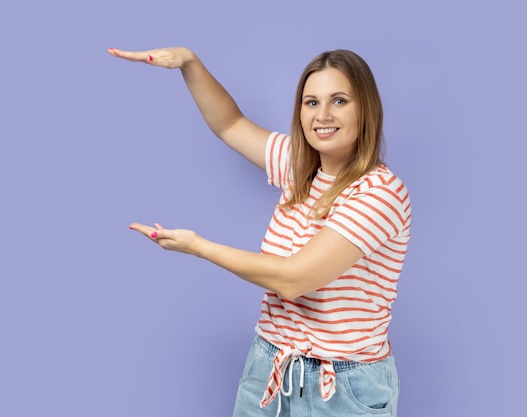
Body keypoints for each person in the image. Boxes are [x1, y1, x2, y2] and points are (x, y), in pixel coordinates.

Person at [108, 46, 411, 417]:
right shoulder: (298, 165)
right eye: (311, 102)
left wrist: (199, 246)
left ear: (366, 108)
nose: (323, 115)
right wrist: (189, 62)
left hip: (343, 387)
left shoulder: (379, 193)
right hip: (269, 365)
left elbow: (294, 279)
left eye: (339, 101)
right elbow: (229, 124)